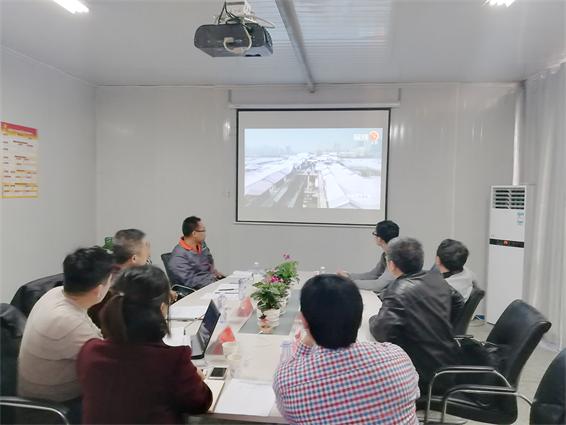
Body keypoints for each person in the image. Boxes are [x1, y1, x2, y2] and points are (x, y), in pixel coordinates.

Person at [273, 274, 420, 425]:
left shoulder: (287, 382)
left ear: (303, 321)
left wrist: (308, 337)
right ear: (360, 317)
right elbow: (415, 392)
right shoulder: (397, 357)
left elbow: (288, 417)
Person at [77, 265, 212, 424]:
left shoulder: (89, 351)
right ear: (161, 309)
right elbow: (200, 403)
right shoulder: (171, 359)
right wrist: (195, 376)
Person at [18, 247, 115, 422]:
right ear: (99, 290)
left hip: (43, 396)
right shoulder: (67, 321)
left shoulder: (55, 294)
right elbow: (109, 365)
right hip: (53, 408)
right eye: (110, 281)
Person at [369, 237, 465, 392]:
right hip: (448, 363)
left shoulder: (398, 289)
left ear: (391, 265)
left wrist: (372, 318)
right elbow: (458, 301)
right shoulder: (435, 278)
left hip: (423, 375)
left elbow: (381, 332)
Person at [88, 228, 152, 327]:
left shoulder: (107, 271)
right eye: (147, 257)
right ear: (134, 259)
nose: (149, 255)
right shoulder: (117, 287)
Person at [338, 219, 399, 293]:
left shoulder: (396, 257)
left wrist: (348, 282)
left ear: (379, 238)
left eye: (374, 233)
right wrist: (349, 276)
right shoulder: (386, 255)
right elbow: (373, 275)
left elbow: (378, 285)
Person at [168, 216, 223, 289]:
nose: (205, 234)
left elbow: (209, 264)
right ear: (194, 233)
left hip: (210, 284)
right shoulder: (178, 257)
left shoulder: (202, 246)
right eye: (203, 230)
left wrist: (215, 273)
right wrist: (213, 279)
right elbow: (190, 282)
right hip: (196, 291)